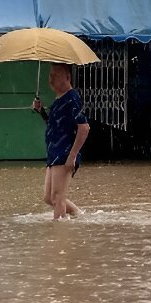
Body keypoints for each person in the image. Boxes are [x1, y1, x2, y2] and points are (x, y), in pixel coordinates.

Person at [32, 62, 91, 220]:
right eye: (50, 75)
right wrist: (41, 111)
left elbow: (84, 128)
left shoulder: (72, 98)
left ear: (67, 77)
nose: (51, 79)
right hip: (53, 153)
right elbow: (55, 126)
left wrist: (72, 156)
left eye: (55, 76)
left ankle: (58, 235)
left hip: (64, 153)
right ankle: (79, 215)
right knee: (48, 198)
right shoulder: (59, 100)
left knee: (57, 198)